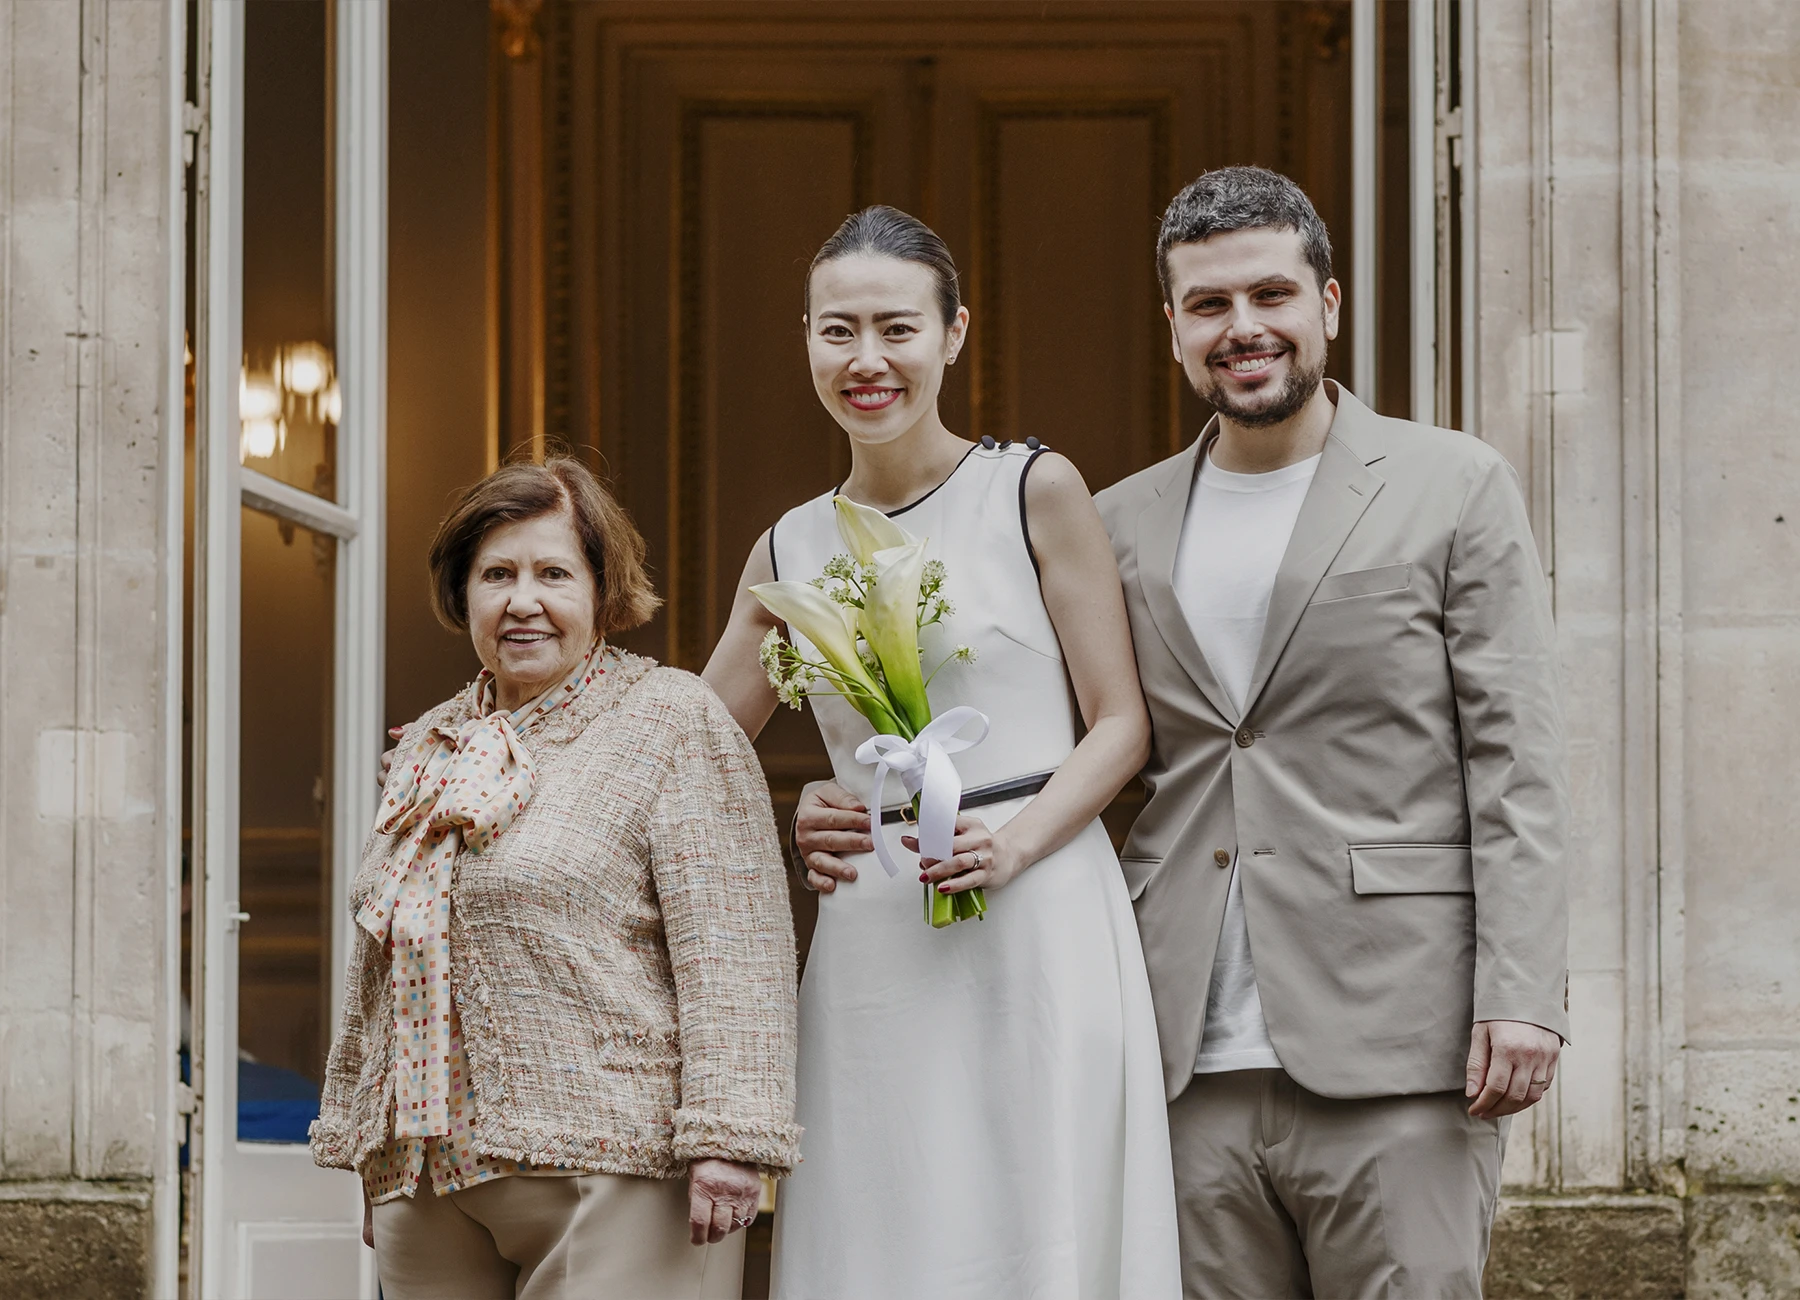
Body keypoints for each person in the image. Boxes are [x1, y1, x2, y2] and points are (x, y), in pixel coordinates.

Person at [801, 167, 1572, 1298]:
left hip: (1399, 1038)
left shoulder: (1452, 485)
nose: (1243, 328)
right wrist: (843, 794)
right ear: (1172, 328)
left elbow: (1518, 763)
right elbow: (1015, 730)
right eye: (1209, 305)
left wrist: (1524, 992)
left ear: (1330, 306)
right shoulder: (1112, 520)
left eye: (1271, 296)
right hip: (1172, 1051)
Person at [702, 206, 1182, 1298]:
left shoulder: (1032, 488)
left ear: (954, 333)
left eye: (896, 328)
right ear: (807, 341)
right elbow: (687, 746)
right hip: (876, 924)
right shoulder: (789, 544)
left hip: (1039, 903)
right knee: (888, 1209)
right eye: (836, 331)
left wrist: (1012, 848)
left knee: (1036, 1206)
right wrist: (802, 806)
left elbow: (1120, 723)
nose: (866, 360)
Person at [312, 457, 800, 1300]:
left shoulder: (671, 719)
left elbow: (734, 945)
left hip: (613, 1169)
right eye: (496, 574)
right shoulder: (429, 741)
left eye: (552, 574)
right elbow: (380, 959)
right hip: (428, 1182)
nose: (522, 600)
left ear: (602, 592)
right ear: (463, 594)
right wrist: (370, 1142)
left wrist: (733, 1137)